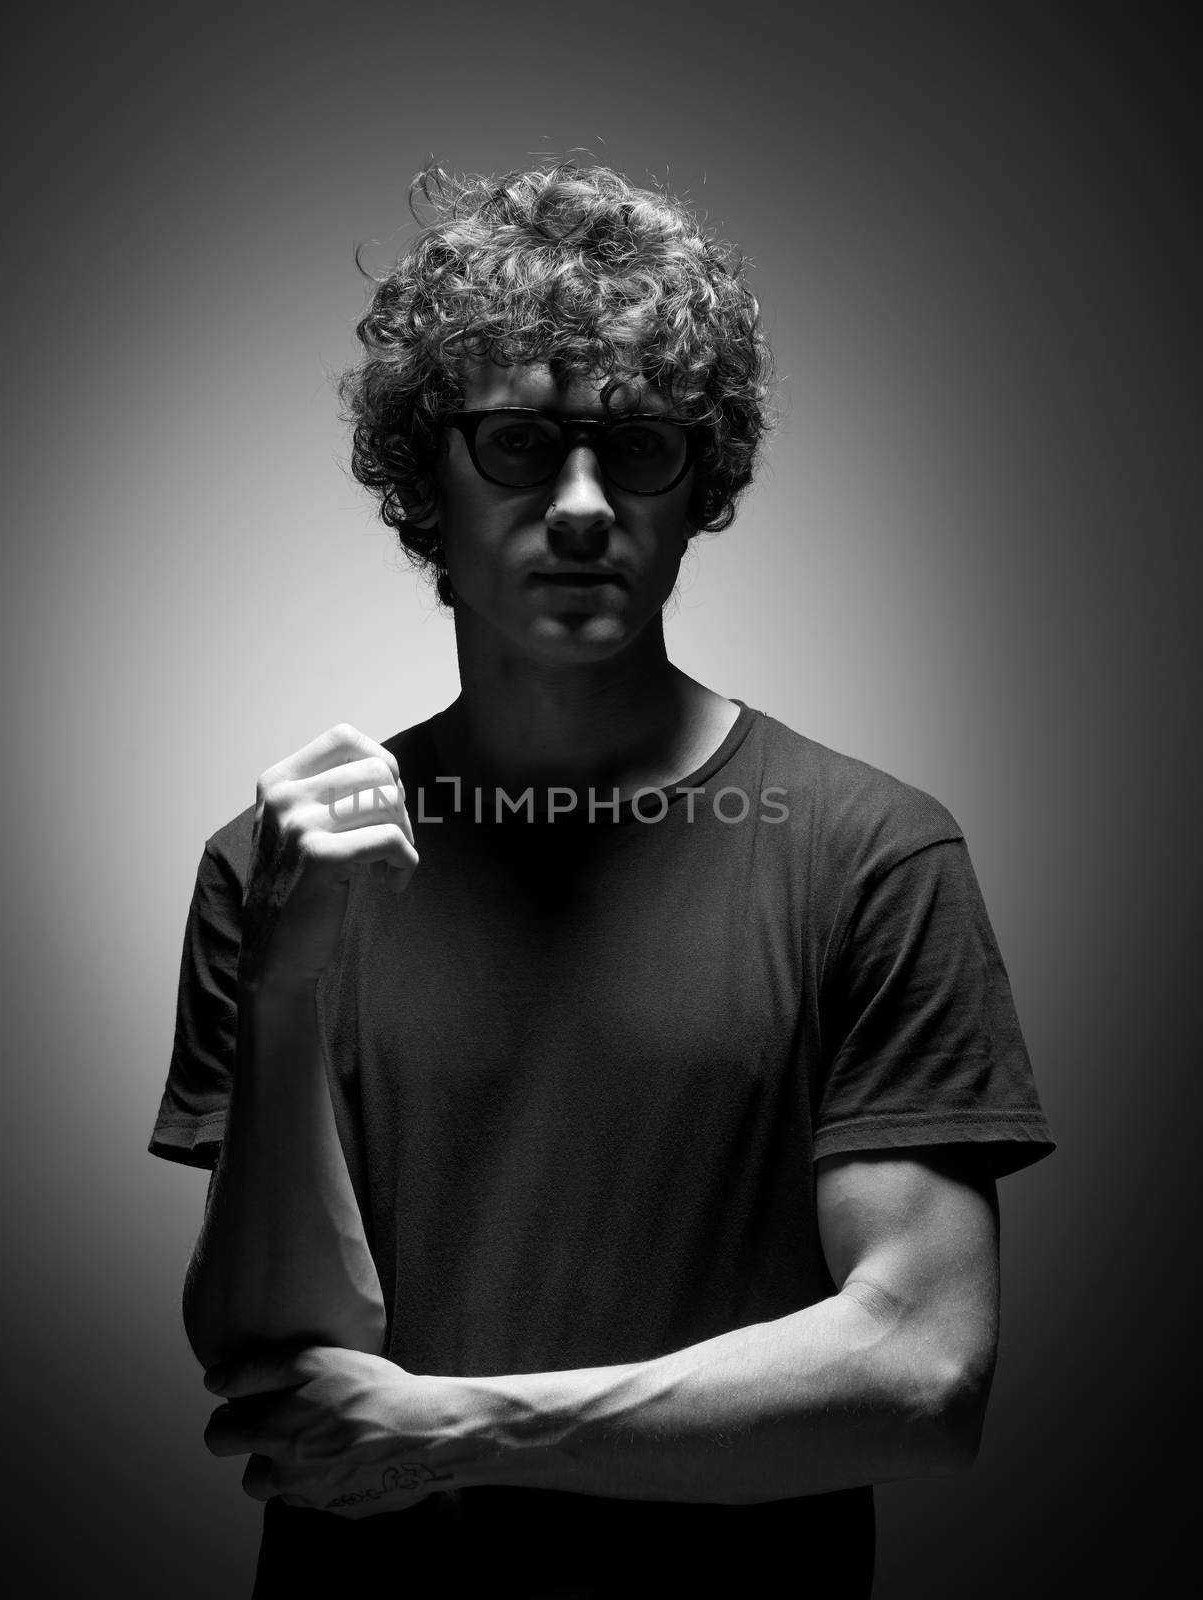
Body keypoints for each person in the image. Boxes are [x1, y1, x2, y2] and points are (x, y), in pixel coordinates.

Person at [149, 163, 1054, 1598]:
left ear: (700, 491)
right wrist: (291, 979)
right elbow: (270, 1358)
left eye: (637, 450)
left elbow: (922, 1368)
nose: (579, 506)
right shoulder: (273, 866)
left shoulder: (869, 852)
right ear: (423, 487)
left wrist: (464, 1430)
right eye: (516, 441)